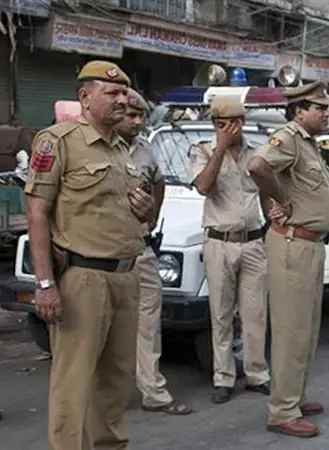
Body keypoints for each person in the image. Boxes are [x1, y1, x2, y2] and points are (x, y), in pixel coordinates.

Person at [24, 61, 154, 450]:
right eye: (111, 93)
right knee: (74, 381)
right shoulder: (57, 142)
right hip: (84, 278)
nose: (122, 100)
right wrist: (45, 283)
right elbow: (37, 213)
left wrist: (145, 210)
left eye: (124, 94)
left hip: (126, 274)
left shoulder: (123, 148)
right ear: (84, 97)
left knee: (116, 378)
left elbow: (124, 210)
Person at [247, 81, 329, 438]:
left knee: (307, 326)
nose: (326, 113)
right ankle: (282, 410)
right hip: (292, 243)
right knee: (290, 329)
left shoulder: (308, 144)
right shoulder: (287, 138)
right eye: (320, 107)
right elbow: (257, 166)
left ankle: (295, 397)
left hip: (310, 244)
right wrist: (280, 199)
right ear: (299, 111)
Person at [190, 96, 271, 404]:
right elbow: (204, 186)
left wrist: (272, 220)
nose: (228, 129)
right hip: (219, 242)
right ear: (214, 125)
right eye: (221, 124)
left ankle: (256, 373)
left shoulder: (257, 152)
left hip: (252, 240)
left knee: (255, 313)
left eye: (233, 124)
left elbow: (264, 192)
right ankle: (223, 377)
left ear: (243, 123)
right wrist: (221, 147)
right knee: (221, 314)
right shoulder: (203, 150)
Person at [116, 88, 191, 415]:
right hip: (105, 254)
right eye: (130, 115)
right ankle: (107, 396)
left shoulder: (145, 150)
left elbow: (157, 183)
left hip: (142, 249)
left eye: (141, 116)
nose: (136, 122)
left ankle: (153, 391)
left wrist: (152, 216)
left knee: (148, 324)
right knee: (107, 326)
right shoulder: (96, 150)